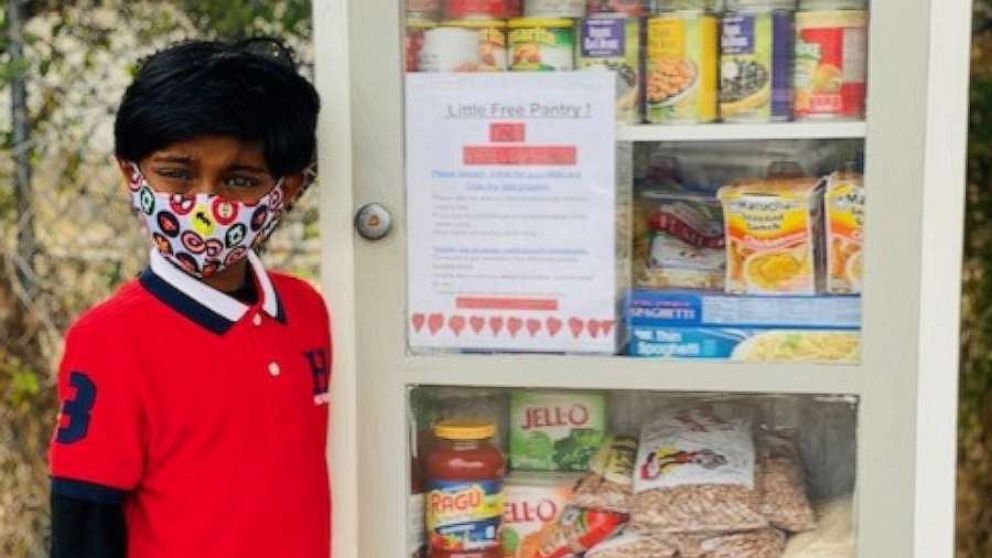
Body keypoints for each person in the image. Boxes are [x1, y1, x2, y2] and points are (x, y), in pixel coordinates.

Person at [47, 38, 330, 558]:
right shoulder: (109, 341)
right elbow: (83, 527)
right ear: (131, 175)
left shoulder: (308, 311)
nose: (206, 205)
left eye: (240, 180)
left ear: (286, 189)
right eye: (177, 174)